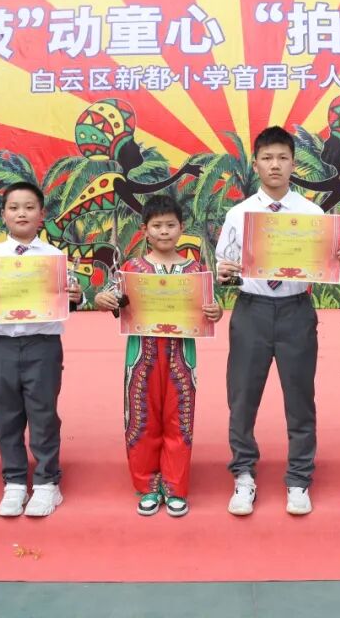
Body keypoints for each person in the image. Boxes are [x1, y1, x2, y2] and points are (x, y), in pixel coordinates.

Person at [214, 126, 340, 517]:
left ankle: (299, 478)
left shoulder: (313, 215)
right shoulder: (239, 214)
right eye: (267, 158)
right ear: (255, 164)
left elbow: (330, 266)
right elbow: (224, 265)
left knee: (300, 398)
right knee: (242, 398)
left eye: (282, 158)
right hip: (251, 310)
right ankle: (243, 475)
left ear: (293, 164)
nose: (275, 165)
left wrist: (339, 257)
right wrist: (225, 273)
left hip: (295, 311)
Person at [0, 182, 83, 518]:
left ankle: (47, 482)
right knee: (4, 414)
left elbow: (68, 300)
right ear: (4, 215)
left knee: (43, 414)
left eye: (29, 207)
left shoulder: (55, 258)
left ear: (42, 214)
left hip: (42, 346)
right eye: (14, 207)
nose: (21, 213)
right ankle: (14, 481)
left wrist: (76, 296)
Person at [96, 195, 223, 517]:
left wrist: (216, 311)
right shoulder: (131, 269)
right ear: (145, 230)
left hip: (182, 354)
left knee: (179, 418)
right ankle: (147, 486)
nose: (164, 231)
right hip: (142, 353)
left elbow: (211, 309)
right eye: (157, 226)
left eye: (170, 225)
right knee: (141, 418)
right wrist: (103, 299)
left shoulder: (196, 271)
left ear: (182, 228)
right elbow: (110, 296)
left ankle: (175, 486)